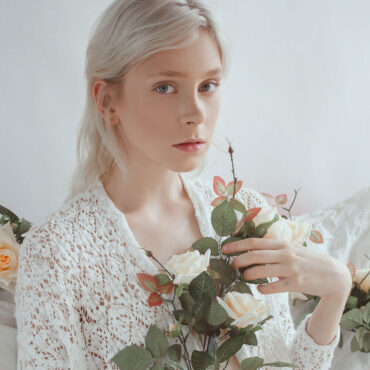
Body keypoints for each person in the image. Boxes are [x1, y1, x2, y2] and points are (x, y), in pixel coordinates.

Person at [14, 0, 352, 369]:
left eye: (208, 85)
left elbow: (280, 362)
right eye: (165, 87)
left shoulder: (243, 215)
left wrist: (335, 294)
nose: (196, 113)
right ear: (108, 101)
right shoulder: (57, 254)